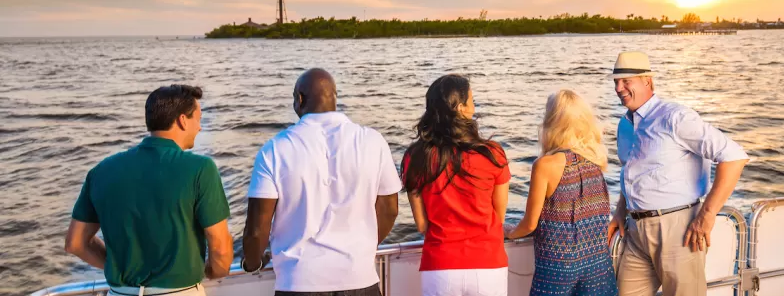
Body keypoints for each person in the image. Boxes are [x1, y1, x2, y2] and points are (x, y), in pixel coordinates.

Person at [241, 68, 401, 296]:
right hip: (360, 279)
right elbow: (390, 210)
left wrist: (253, 263)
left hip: (298, 283)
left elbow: (256, 230)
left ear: (299, 99)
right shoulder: (373, 141)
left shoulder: (275, 149)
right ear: (335, 97)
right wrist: (362, 251)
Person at [65, 85, 233, 296]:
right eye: (198, 119)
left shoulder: (101, 170)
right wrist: (214, 271)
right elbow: (220, 248)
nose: (199, 127)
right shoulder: (201, 168)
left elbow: (75, 243)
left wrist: (118, 268)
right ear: (182, 120)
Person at [607, 51, 749, 296]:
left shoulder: (675, 117)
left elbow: (734, 156)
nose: (619, 88)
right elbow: (631, 172)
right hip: (635, 231)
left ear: (647, 81)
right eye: (616, 82)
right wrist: (621, 210)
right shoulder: (625, 124)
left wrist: (707, 215)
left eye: (626, 81)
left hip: (678, 230)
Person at [402, 74, 511, 296]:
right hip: (488, 264)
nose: (474, 107)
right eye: (472, 101)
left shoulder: (416, 157)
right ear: (461, 108)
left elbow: (422, 225)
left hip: (440, 266)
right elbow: (499, 217)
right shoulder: (492, 153)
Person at [506, 90, 618, 296]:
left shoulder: (545, 165)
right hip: (597, 265)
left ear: (552, 122)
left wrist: (509, 233)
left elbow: (530, 224)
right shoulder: (596, 160)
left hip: (558, 267)